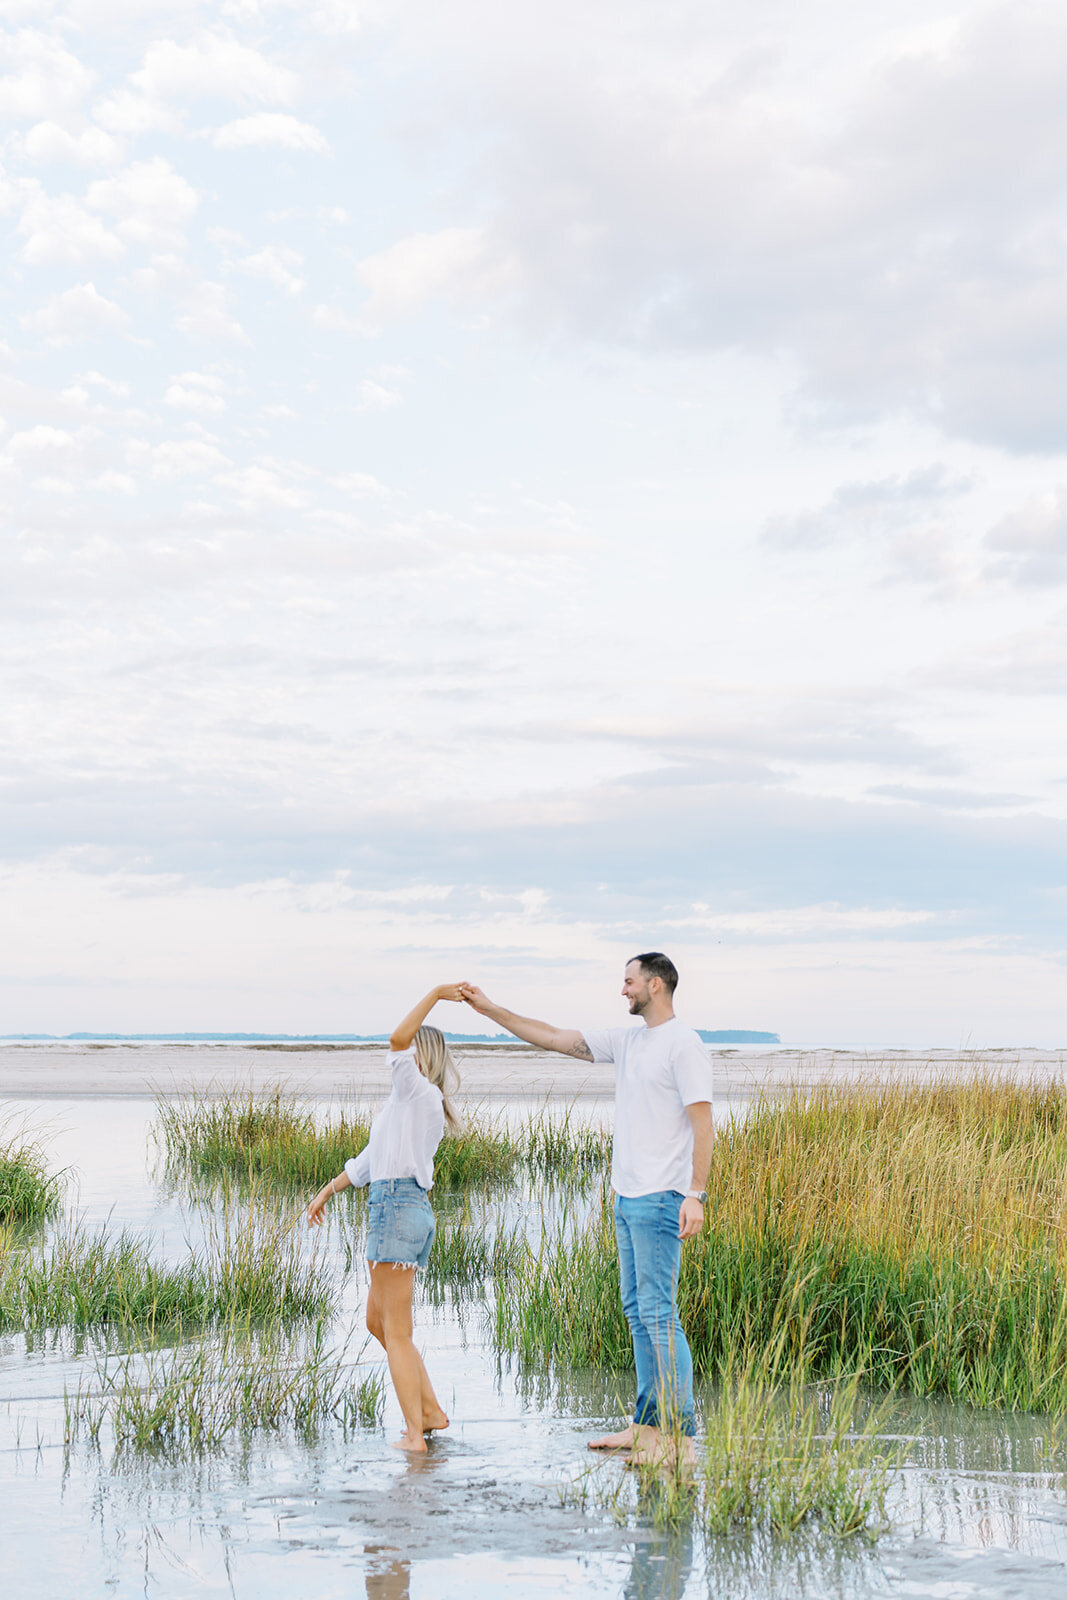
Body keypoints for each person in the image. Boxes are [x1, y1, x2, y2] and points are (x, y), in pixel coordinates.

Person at [461, 953, 713, 1466]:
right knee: (637, 1313)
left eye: (629, 981)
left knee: (660, 1317)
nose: (623, 990)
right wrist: (490, 1009)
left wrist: (696, 1194)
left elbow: (703, 1121)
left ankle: (680, 1439)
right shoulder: (628, 1041)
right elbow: (552, 1035)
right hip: (626, 1197)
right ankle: (646, 1428)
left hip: (663, 1197)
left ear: (657, 985)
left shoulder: (684, 1045)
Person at [307, 982, 467, 1453]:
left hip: (398, 1209)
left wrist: (437, 993)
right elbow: (366, 1163)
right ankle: (431, 1410)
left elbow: (397, 1039)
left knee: (396, 1333)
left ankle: (416, 1436)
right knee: (378, 1322)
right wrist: (324, 1193)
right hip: (397, 1207)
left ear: (423, 1057)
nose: (404, 1053)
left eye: (413, 1049)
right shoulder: (405, 1105)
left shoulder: (418, 1092)